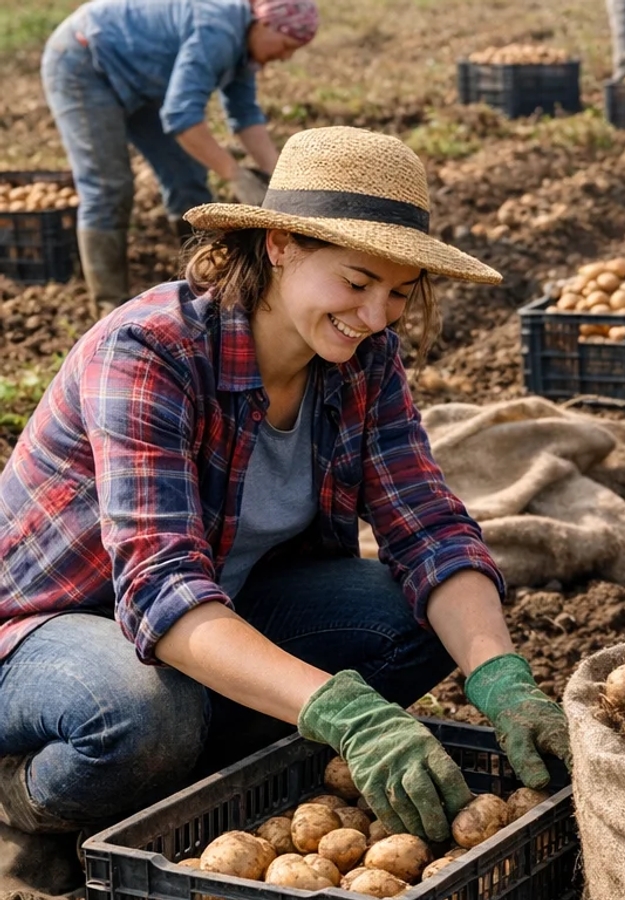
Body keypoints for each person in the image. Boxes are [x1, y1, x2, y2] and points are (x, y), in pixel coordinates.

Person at [0, 125, 571, 897]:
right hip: (49, 634)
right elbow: (160, 589)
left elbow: (427, 522)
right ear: (279, 246)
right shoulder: (149, 352)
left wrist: (500, 677)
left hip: (217, 616)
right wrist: (343, 711)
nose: (375, 314)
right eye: (358, 280)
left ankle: (193, 783)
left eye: (399, 292)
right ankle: (27, 802)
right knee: (140, 714)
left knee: (415, 620)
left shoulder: (365, 361)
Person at [40, 0, 320, 314]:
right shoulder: (218, 29)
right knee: (108, 187)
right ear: (265, 23)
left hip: (144, 80)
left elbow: (244, 115)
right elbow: (181, 116)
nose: (285, 57)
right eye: (286, 46)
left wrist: (280, 178)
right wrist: (235, 175)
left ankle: (205, 289)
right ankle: (109, 306)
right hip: (85, 60)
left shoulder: (245, 48)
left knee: (187, 179)